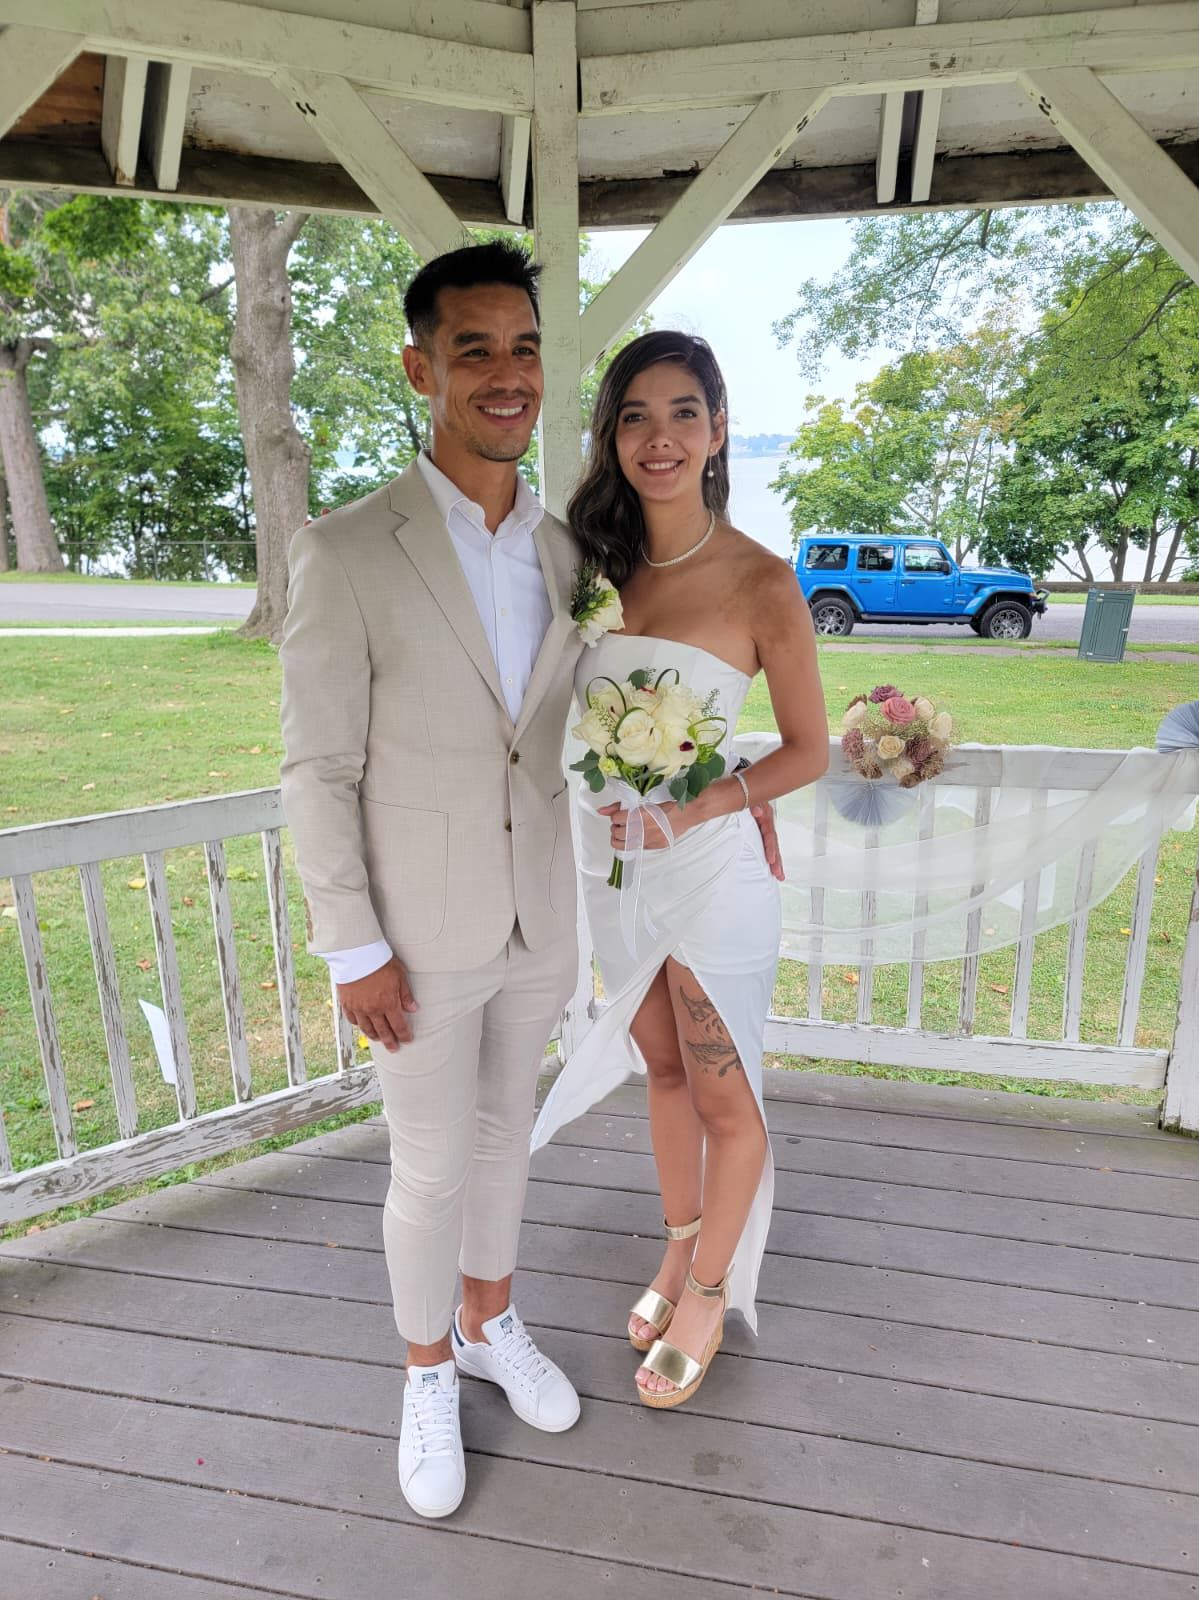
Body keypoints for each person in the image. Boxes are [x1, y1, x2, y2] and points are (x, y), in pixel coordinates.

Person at [279, 241, 586, 1520]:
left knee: (509, 1137)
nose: (507, 375)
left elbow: (586, 727)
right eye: (476, 350)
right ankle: (421, 1372)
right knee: (429, 1168)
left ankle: (488, 1322)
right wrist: (353, 946)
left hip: (539, 924)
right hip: (416, 935)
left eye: (523, 348)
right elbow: (314, 769)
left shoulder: (573, 554)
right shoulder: (347, 550)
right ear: (421, 368)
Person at [532, 330, 829, 1408]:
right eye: (634, 416)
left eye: (682, 414)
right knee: (659, 1066)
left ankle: (709, 1288)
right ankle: (676, 1243)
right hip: (613, 864)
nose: (659, 437)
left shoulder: (762, 579)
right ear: (612, 436)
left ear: (715, 433)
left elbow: (808, 747)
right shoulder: (589, 567)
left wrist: (717, 800)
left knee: (722, 1086)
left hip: (709, 867)